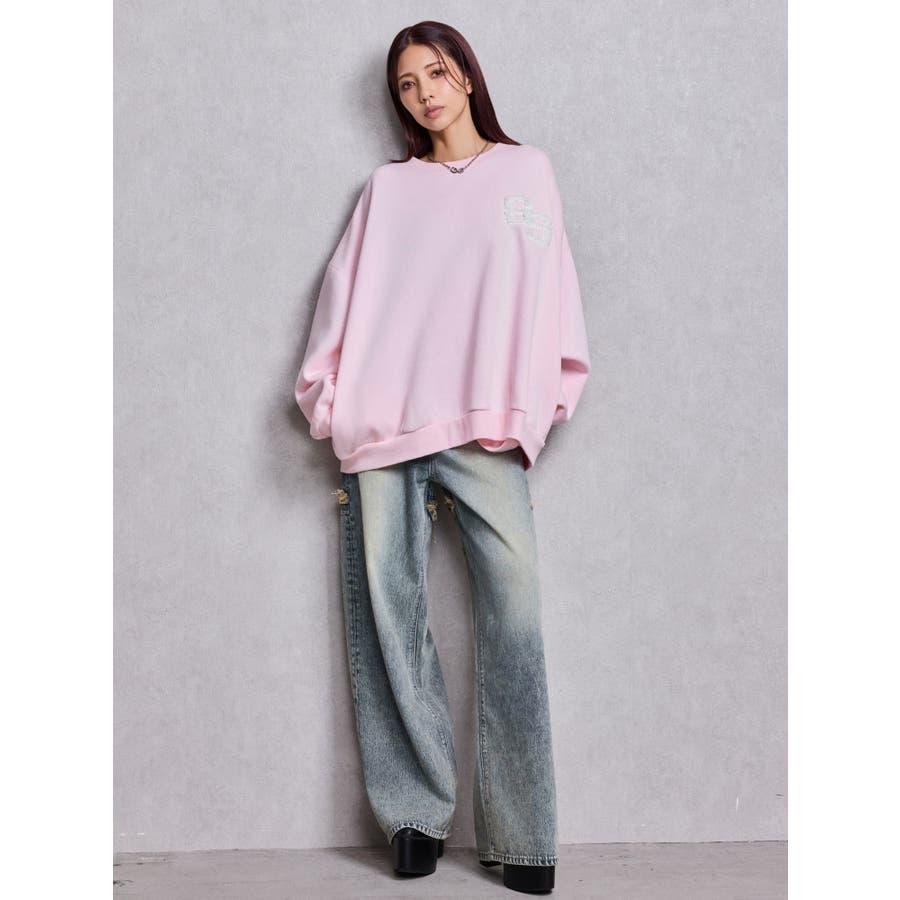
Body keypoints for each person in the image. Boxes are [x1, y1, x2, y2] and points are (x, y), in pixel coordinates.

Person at [294, 20, 591, 895]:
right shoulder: (388, 189)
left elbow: (555, 299)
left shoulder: (527, 172)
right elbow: (341, 296)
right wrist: (333, 405)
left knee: (516, 618)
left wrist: (540, 406)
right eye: (406, 83)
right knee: (392, 619)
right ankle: (415, 818)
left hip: (487, 428)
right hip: (386, 427)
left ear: (465, 74)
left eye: (435, 71)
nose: (424, 92)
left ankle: (522, 835)